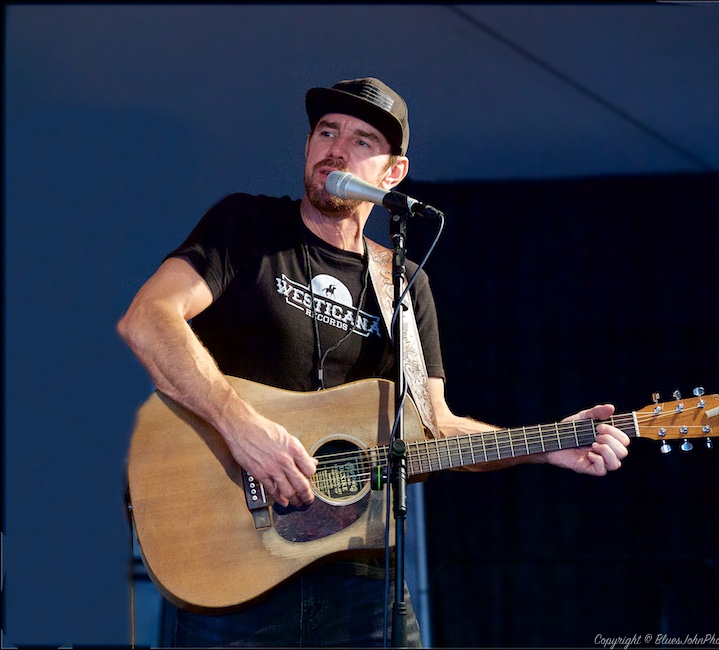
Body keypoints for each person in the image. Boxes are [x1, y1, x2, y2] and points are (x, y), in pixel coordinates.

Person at [117, 76, 630, 648]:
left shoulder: (402, 281)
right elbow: (147, 320)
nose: (336, 147)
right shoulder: (247, 228)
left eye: (362, 141)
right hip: (233, 573)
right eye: (326, 131)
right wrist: (243, 427)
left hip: (362, 589)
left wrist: (546, 443)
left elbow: (433, 430)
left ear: (394, 174)